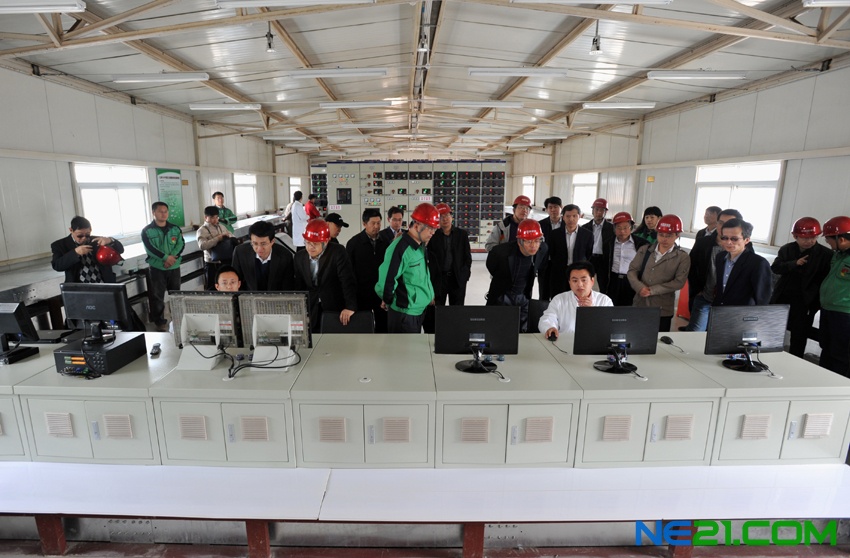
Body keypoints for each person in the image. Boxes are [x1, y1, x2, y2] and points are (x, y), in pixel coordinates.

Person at [770, 217, 832, 358]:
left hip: (806, 302)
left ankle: (794, 361)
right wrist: (794, 263)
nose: (809, 241)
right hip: (783, 298)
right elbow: (776, 268)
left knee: (799, 336)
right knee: (773, 330)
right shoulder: (787, 249)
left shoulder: (826, 255)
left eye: (813, 237)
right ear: (795, 236)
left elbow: (824, 280)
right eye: (805, 238)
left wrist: (815, 304)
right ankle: (770, 357)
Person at [376, 203, 440, 333]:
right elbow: (386, 281)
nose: (433, 233)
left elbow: (421, 275)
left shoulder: (420, 245)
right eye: (430, 228)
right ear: (417, 226)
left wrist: (429, 294)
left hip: (418, 310)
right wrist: (389, 300)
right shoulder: (400, 248)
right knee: (404, 346)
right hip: (404, 315)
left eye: (434, 229)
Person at [627, 214, 690, 332]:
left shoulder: (682, 257)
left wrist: (652, 290)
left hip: (663, 308)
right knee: (636, 334)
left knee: (658, 339)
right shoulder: (645, 250)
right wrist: (639, 287)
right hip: (640, 304)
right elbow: (632, 271)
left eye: (669, 236)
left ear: (677, 235)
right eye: (661, 234)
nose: (664, 239)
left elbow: (679, 282)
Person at [294, 218, 357, 334]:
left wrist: (350, 307)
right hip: (311, 308)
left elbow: (347, 281)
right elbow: (299, 286)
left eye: (315, 244)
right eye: (307, 242)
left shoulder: (338, 252)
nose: (310, 247)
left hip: (334, 306)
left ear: (326, 241)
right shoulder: (299, 257)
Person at [685, 209, 744, 331]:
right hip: (704, 297)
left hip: (729, 303)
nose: (724, 227)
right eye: (721, 223)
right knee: (695, 333)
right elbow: (691, 266)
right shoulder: (703, 242)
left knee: (719, 335)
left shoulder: (744, 248)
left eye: (729, 223)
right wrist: (697, 290)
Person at [485, 219, 549, 332]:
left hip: (523, 296)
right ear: (520, 241)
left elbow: (540, 267)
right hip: (502, 295)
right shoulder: (500, 252)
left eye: (537, 240)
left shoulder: (542, 249)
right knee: (497, 329)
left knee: (522, 330)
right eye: (529, 242)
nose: (533, 245)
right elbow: (491, 267)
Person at [424, 203, 472, 333]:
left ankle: (455, 334)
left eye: (447, 215)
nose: (444, 219)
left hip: (457, 278)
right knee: (436, 310)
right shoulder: (433, 236)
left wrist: (464, 276)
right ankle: (436, 335)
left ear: (452, 217)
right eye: (441, 216)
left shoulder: (462, 235)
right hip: (439, 280)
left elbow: (467, 258)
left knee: (457, 311)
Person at [539, 261, 613, 339]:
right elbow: (547, 319)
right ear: (569, 282)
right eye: (575, 281)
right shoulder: (559, 299)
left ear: (592, 281)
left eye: (584, 280)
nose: (579, 284)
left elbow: (609, 327)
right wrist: (550, 328)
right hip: (564, 342)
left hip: (595, 342)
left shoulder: (604, 301)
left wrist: (592, 312)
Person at [141, 202, 185, 332]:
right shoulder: (147, 231)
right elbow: (150, 249)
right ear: (153, 212)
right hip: (157, 268)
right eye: (160, 211)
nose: (164, 214)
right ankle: (159, 322)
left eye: (166, 211)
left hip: (174, 267)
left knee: (176, 294)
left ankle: (177, 318)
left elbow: (181, 245)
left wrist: (171, 259)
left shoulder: (175, 229)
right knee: (157, 296)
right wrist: (166, 258)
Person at [712, 218, 772, 307]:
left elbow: (762, 299)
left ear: (746, 240)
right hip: (719, 309)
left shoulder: (758, 263)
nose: (728, 242)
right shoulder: (720, 257)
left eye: (734, 239)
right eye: (724, 238)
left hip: (743, 313)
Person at [347, 208, 389, 333]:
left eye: (379, 223)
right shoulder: (354, 244)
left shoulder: (386, 242)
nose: (376, 226)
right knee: (362, 327)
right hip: (362, 294)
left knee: (383, 326)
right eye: (373, 223)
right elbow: (349, 272)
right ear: (364, 224)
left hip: (380, 293)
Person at [819, 216, 850, 377]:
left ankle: (838, 384)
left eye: (828, 240)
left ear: (841, 239)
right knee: (826, 348)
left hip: (845, 314)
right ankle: (823, 380)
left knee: (841, 354)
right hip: (828, 309)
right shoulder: (839, 254)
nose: (828, 243)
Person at [51, 215, 124, 284]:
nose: (84, 238)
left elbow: (120, 250)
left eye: (87, 235)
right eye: (80, 235)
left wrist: (110, 240)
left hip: (104, 283)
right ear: (71, 230)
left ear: (90, 229)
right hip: (80, 288)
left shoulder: (97, 240)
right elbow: (57, 266)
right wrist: (75, 253)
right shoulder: (60, 245)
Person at [231, 220, 295, 291]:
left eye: (263, 244)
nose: (259, 248)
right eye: (255, 243)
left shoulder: (285, 256)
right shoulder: (240, 253)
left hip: (275, 296)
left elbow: (287, 286)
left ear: (272, 241)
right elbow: (235, 280)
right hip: (249, 296)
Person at [546, 204, 592, 299]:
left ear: (579, 216)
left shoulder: (587, 235)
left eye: (574, 216)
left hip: (578, 272)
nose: (571, 219)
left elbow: (588, 254)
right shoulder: (554, 234)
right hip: (559, 272)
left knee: (577, 298)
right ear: (563, 217)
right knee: (558, 297)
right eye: (568, 216)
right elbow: (552, 253)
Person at [603, 211, 649, 306]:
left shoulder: (641, 244)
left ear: (631, 228)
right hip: (613, 280)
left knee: (629, 307)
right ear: (614, 229)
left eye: (625, 228)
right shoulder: (608, 243)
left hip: (631, 280)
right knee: (611, 306)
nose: (622, 231)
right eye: (619, 228)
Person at [581, 198, 614, 294]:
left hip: (604, 260)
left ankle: (603, 301)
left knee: (604, 284)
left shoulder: (612, 229)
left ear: (605, 212)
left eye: (602, 210)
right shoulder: (585, 227)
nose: (599, 212)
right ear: (592, 211)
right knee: (585, 281)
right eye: (596, 209)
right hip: (589, 258)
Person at [196, 206, 234, 289]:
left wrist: (229, 236)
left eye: (216, 217)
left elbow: (232, 236)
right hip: (212, 264)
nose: (215, 220)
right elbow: (202, 246)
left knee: (226, 285)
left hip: (225, 261)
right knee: (212, 287)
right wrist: (218, 238)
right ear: (206, 217)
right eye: (212, 218)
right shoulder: (202, 230)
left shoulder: (222, 226)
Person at [537, 196, 562, 300]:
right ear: (546, 209)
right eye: (550, 207)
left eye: (555, 207)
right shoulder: (540, 225)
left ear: (561, 207)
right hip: (545, 264)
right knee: (544, 292)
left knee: (560, 292)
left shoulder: (567, 224)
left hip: (561, 264)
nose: (553, 210)